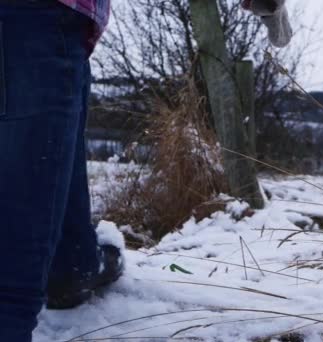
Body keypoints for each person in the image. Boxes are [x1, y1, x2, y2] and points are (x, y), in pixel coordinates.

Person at [0, 0, 291, 341]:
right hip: (38, 21)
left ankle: (73, 266)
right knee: (11, 281)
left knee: (51, 223)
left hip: (48, 27)